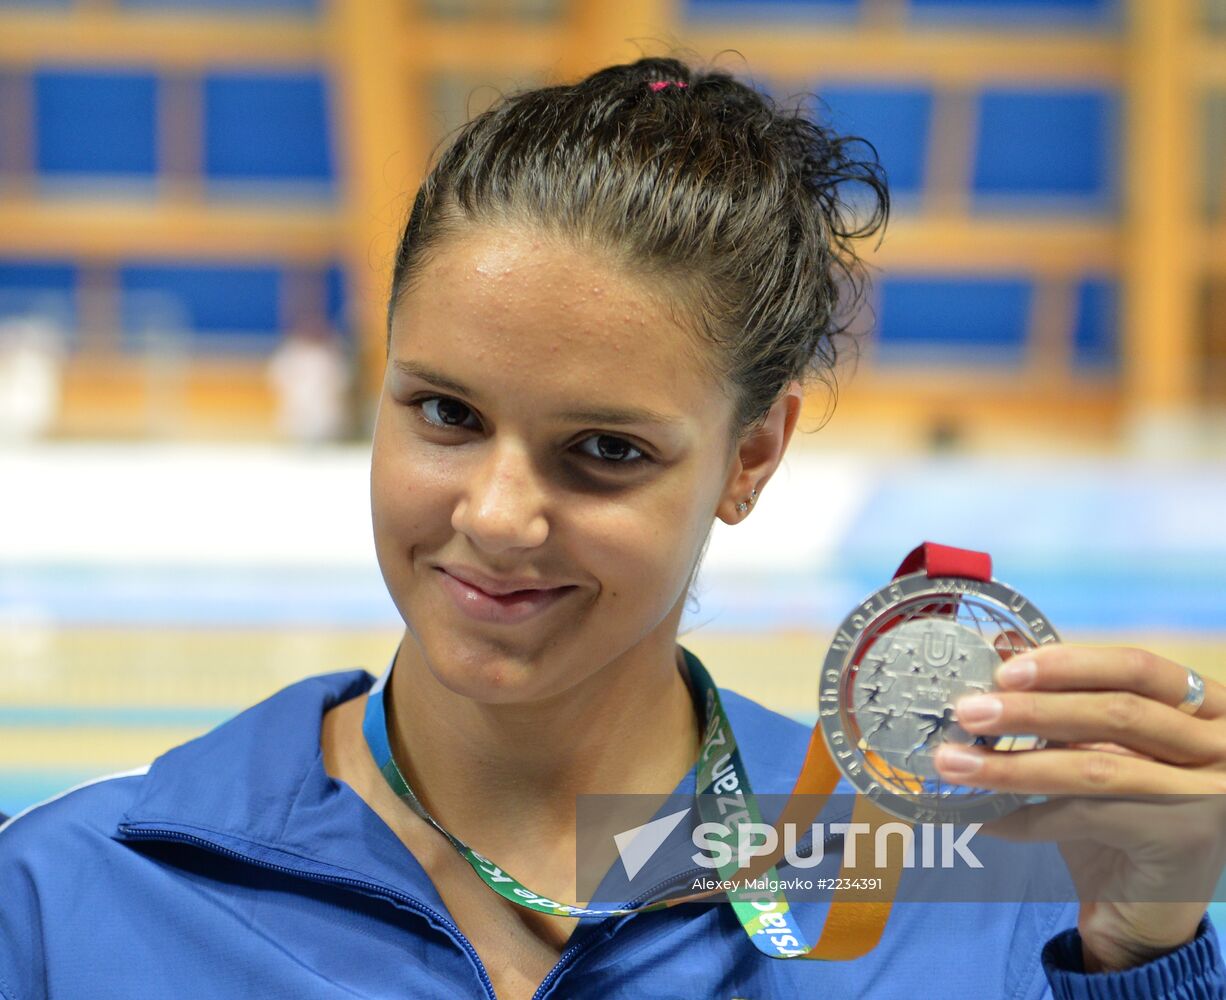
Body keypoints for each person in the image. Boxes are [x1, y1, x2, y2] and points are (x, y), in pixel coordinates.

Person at [1, 57, 1223, 999]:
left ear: (752, 455)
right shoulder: (78, 890)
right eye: (444, 412)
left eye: (605, 452)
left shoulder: (957, 899)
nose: (494, 515)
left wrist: (1145, 948)